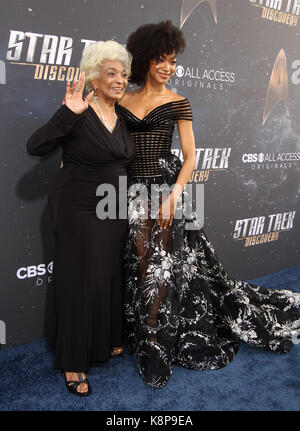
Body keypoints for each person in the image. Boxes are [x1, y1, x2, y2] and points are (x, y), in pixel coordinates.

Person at [118, 21, 300, 389]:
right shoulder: (121, 99)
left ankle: (156, 347)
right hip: (130, 191)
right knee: (140, 267)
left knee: (163, 269)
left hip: (166, 189)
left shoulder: (177, 102)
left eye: (173, 60)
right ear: (145, 60)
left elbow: (189, 158)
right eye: (161, 59)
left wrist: (173, 196)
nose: (168, 67)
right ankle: (143, 333)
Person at [27, 41, 135, 396]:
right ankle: (73, 359)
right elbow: (36, 146)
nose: (120, 80)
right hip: (77, 206)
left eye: (123, 74)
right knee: (78, 278)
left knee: (105, 273)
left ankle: (103, 340)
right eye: (111, 73)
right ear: (93, 76)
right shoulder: (78, 111)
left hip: (112, 207)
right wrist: (66, 114)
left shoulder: (121, 118)